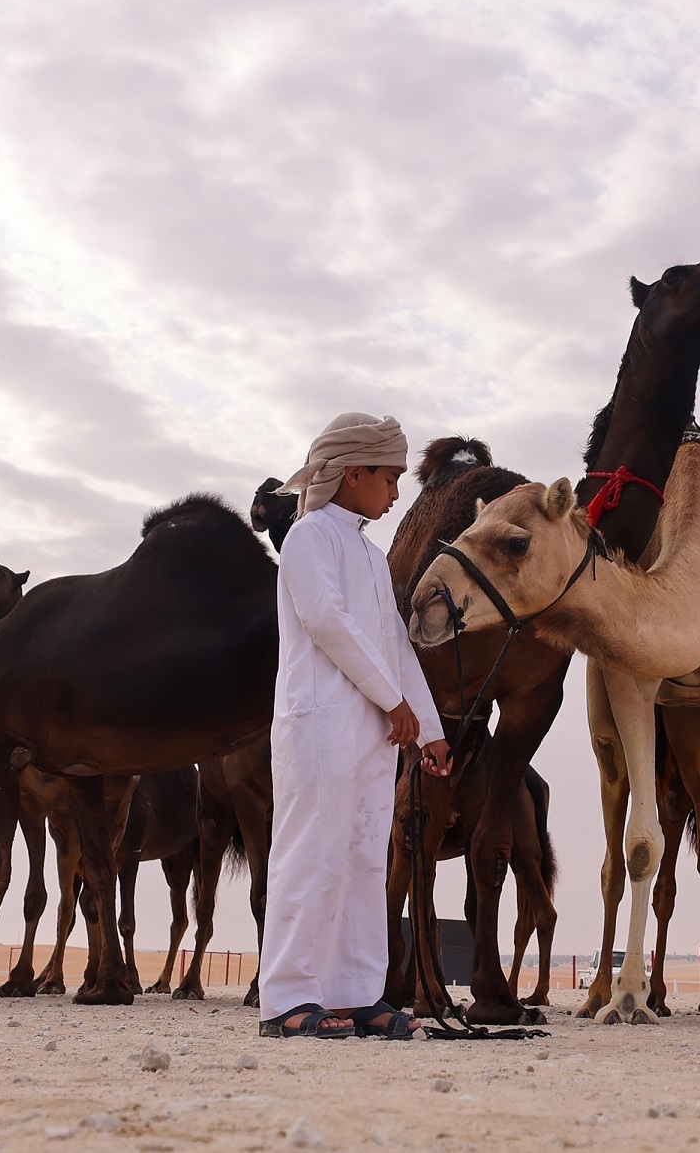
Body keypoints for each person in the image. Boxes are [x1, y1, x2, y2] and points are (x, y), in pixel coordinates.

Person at [258, 412, 451, 1040]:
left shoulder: (370, 556)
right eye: (389, 477)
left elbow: (393, 642)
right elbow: (326, 621)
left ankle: (356, 994)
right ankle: (288, 999)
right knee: (311, 854)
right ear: (352, 472)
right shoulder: (309, 537)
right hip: (318, 726)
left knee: (365, 859)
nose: (396, 492)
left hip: (372, 734)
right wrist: (395, 702)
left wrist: (429, 728)